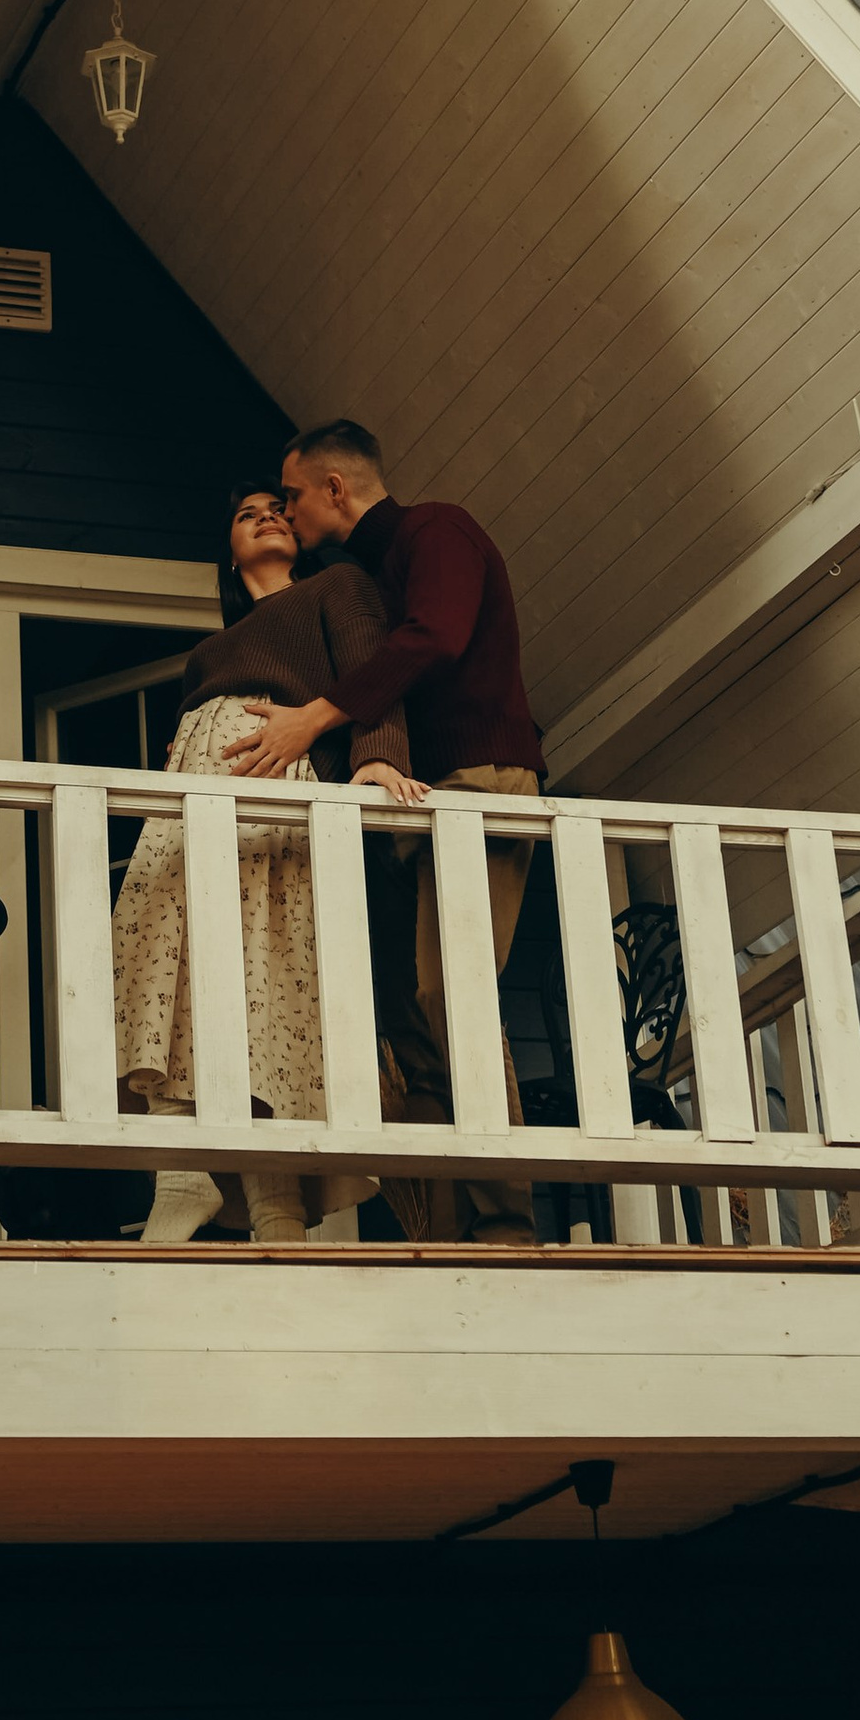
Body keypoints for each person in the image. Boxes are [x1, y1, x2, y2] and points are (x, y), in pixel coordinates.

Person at [226, 421, 544, 1244]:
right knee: (410, 1016)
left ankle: (503, 1223)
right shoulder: (359, 576)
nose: (286, 513)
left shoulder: (435, 530)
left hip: (479, 781)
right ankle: (439, 1222)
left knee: (452, 994)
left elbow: (432, 636)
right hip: (418, 799)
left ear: (336, 488)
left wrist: (316, 719)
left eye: (292, 495)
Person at [111, 485, 421, 1245]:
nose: (267, 514)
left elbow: (371, 674)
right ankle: (182, 1174)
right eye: (247, 512)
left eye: (278, 507)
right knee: (177, 965)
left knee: (266, 982)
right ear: (229, 550)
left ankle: (278, 1212)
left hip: (272, 782)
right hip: (196, 785)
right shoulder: (208, 652)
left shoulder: (336, 587)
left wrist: (379, 758)